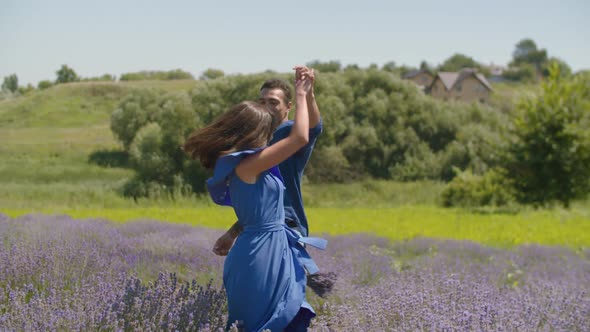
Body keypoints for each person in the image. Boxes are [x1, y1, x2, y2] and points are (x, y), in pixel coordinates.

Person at [183, 67, 325, 331]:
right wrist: (302, 93)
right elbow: (301, 136)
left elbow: (260, 208)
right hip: (261, 252)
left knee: (285, 319)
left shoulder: (248, 163)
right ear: (253, 129)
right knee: (267, 322)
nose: (270, 120)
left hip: (269, 246)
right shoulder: (249, 164)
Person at [213, 66, 321, 257]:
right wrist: (232, 234)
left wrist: (307, 93)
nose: (267, 107)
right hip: (258, 226)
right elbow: (258, 201)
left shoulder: (289, 132)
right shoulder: (256, 142)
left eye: (273, 102)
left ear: (288, 107)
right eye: (262, 102)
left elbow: (312, 127)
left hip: (287, 225)